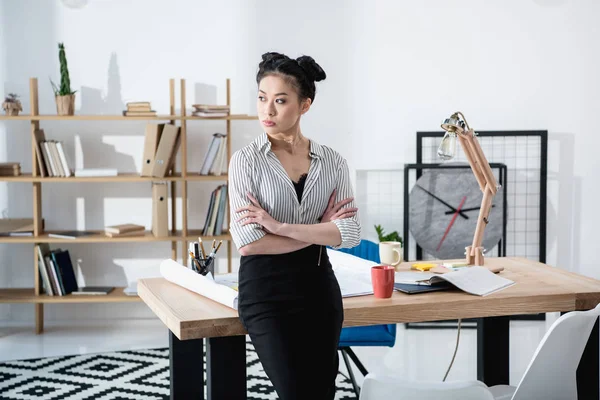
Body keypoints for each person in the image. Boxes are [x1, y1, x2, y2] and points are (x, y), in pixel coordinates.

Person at [228, 51, 361, 400]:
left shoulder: (333, 162)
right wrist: (319, 231)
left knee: (321, 392)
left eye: (280, 100)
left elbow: (349, 234)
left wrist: (280, 227)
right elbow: (249, 243)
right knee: (295, 391)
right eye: (261, 98)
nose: (267, 111)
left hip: (319, 289)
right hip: (265, 292)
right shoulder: (245, 162)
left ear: (305, 105)